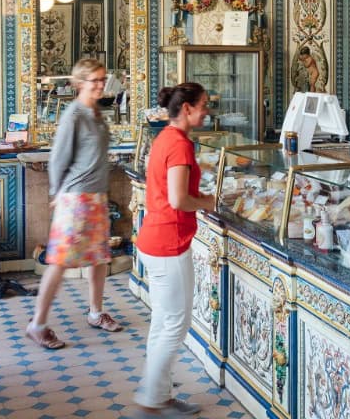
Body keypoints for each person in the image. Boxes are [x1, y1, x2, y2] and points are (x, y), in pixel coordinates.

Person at [27, 58, 123, 350]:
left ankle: (95, 312)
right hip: (76, 197)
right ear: (79, 82)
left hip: (96, 196)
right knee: (59, 262)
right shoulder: (75, 115)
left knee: (99, 257)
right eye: (93, 80)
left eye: (102, 79)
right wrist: (58, 192)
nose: (99, 84)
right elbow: (58, 158)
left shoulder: (96, 113)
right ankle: (38, 324)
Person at [134, 83, 216, 417]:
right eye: (203, 105)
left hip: (154, 238)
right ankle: (152, 399)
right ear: (187, 109)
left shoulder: (164, 138)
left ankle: (161, 394)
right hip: (170, 241)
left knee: (162, 323)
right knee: (174, 326)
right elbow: (178, 199)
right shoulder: (180, 145)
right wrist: (208, 201)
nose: (206, 111)